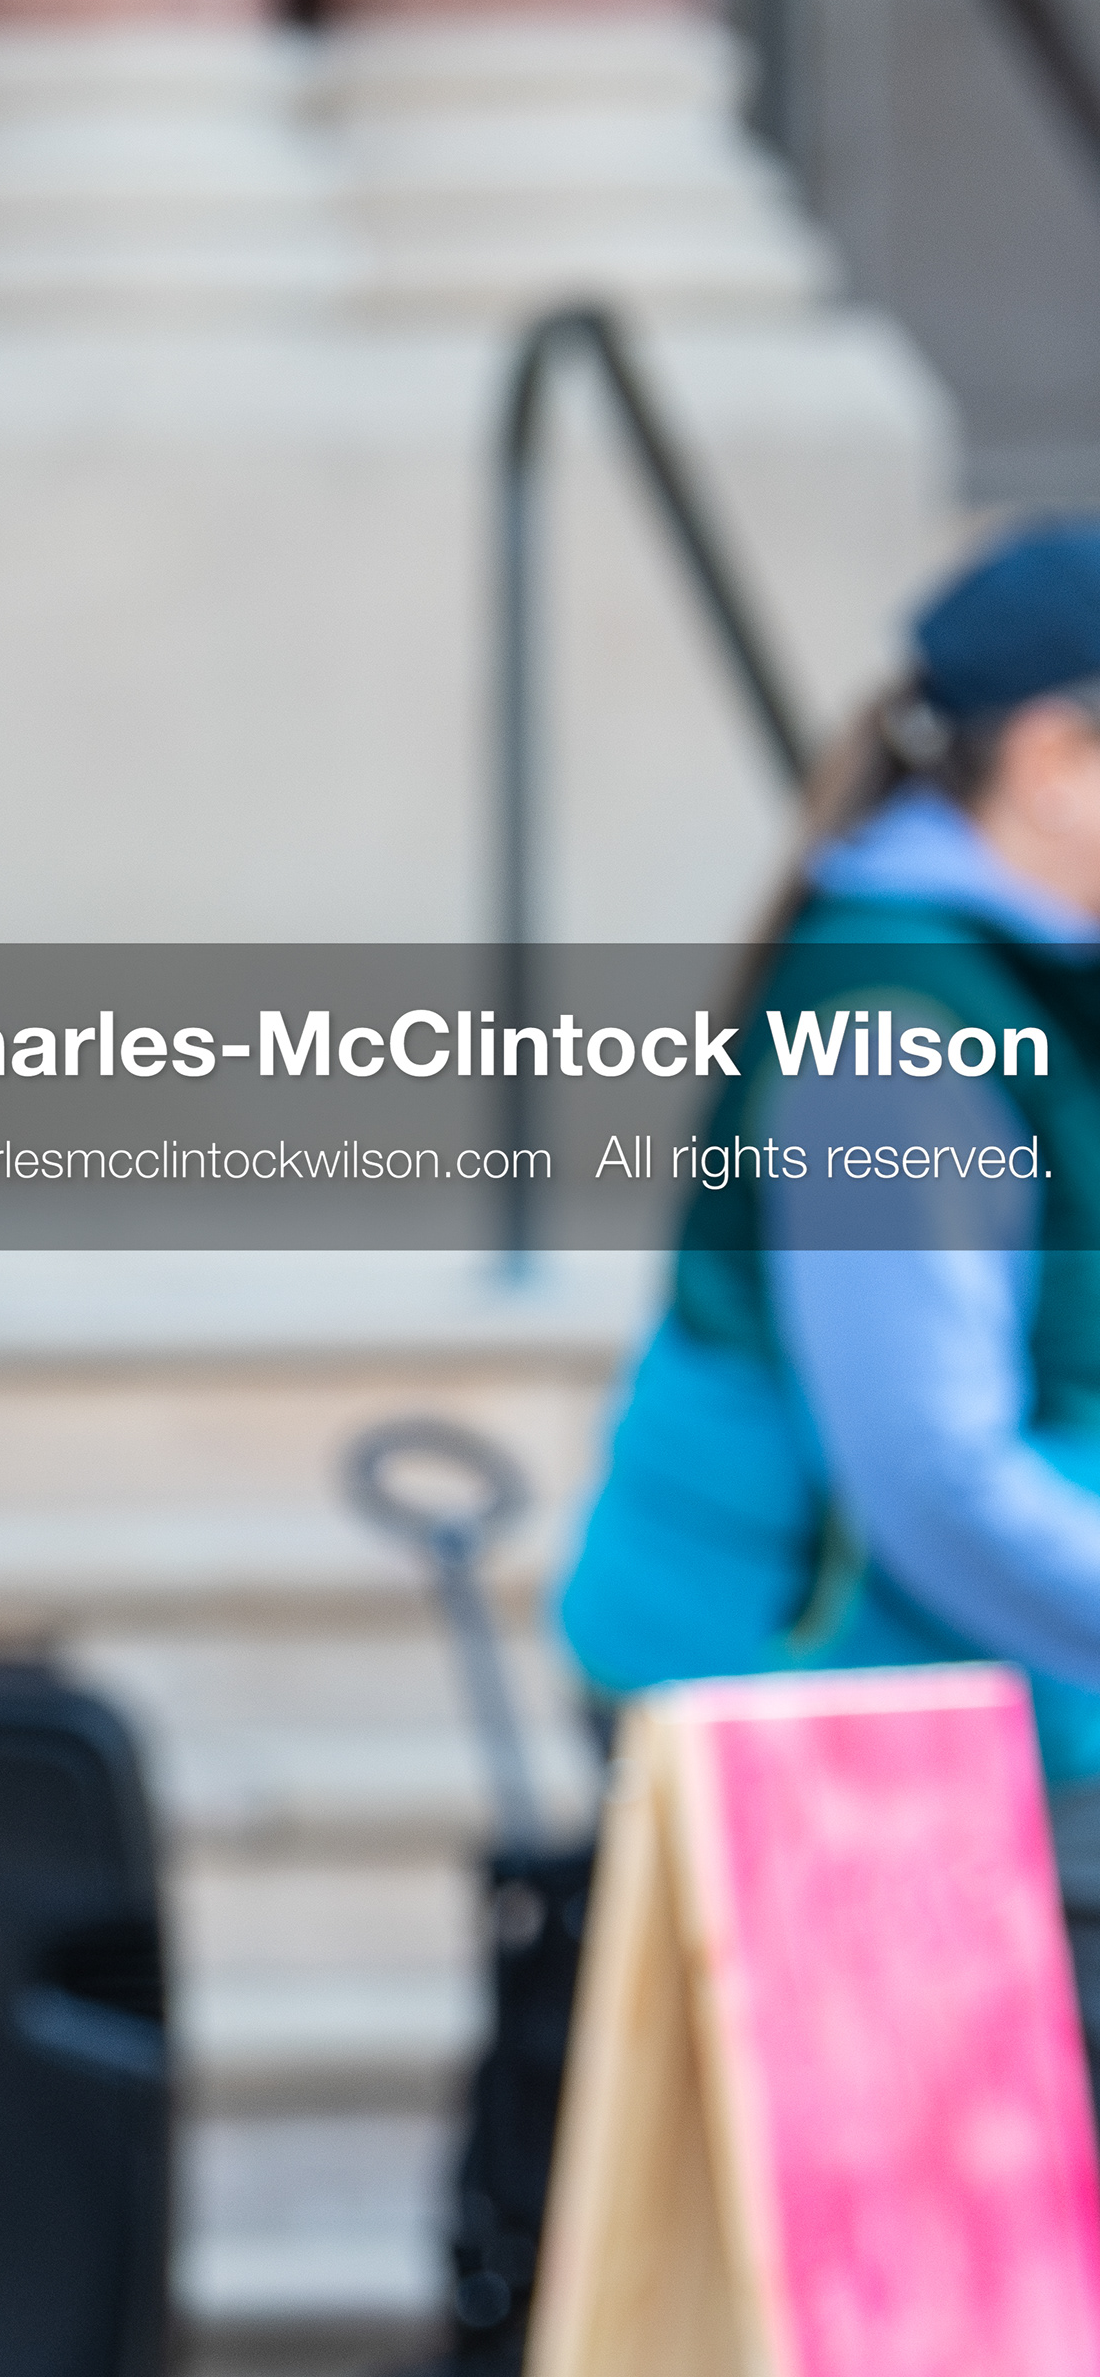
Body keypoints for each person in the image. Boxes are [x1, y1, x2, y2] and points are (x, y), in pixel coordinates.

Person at [562, 516, 1100, 1990]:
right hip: (813, 1712)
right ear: (1054, 757)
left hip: (959, 1709)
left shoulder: (1032, 981)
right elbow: (931, 1472)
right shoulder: (896, 1027)